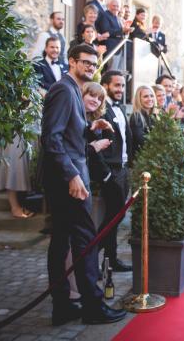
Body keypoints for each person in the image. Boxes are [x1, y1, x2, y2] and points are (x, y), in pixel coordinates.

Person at [41, 44, 126, 325]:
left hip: (67, 178)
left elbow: (68, 136)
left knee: (62, 241)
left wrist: (91, 128)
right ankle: (92, 305)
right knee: (85, 241)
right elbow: (51, 139)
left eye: (94, 63)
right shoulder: (64, 90)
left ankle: (62, 306)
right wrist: (73, 176)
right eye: (86, 62)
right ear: (72, 61)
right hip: (68, 181)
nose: (90, 67)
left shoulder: (72, 89)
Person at [96, 70, 133, 272]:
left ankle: (110, 260)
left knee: (116, 218)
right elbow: (95, 144)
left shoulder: (119, 108)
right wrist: (106, 174)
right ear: (106, 85)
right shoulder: (102, 110)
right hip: (111, 171)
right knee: (113, 217)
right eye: (116, 85)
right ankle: (90, 253)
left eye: (122, 85)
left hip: (124, 170)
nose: (120, 89)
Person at [129, 85, 158, 162]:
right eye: (145, 96)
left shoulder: (154, 116)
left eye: (151, 96)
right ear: (139, 99)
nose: (150, 99)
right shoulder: (136, 117)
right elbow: (142, 141)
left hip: (153, 159)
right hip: (141, 161)